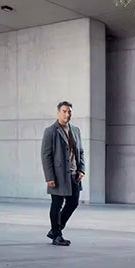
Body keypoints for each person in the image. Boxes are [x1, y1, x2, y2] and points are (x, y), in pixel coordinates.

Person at [41, 101, 85, 246]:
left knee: (73, 203)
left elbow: (81, 152)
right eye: (65, 111)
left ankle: (55, 229)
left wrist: (81, 169)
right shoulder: (51, 131)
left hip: (74, 175)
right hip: (58, 176)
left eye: (70, 111)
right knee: (57, 204)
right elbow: (46, 155)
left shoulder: (76, 130)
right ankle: (57, 236)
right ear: (58, 113)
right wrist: (49, 177)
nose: (67, 114)